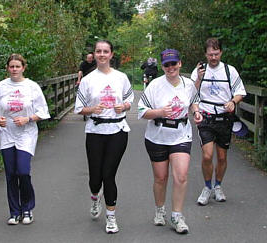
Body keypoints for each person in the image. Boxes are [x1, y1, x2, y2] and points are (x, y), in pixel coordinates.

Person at [138, 49, 202, 234]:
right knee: (160, 177)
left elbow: (194, 101)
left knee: (181, 175)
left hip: (181, 134)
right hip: (157, 135)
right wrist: (159, 112)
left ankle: (177, 216)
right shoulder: (155, 86)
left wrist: (196, 112)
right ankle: (160, 210)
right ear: (162, 67)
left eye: (173, 63)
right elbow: (142, 111)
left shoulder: (189, 84)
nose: (170, 67)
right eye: (166, 65)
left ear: (180, 64)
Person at [74, 40, 134, 234]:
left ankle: (111, 217)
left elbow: (129, 99)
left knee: (108, 175)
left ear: (111, 54)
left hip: (117, 130)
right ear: (94, 54)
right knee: (95, 178)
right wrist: (91, 109)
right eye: (98, 51)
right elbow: (78, 108)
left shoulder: (121, 77)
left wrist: (124, 106)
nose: (101, 54)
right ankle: (95, 197)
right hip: (95, 131)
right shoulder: (88, 80)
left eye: (105, 51)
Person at [0, 54, 50, 225]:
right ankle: (14, 212)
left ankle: (27, 208)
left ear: (23, 68)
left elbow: (43, 112)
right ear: (7, 68)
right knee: (11, 174)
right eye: (11, 66)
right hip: (6, 133)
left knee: (23, 171)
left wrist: (27, 119)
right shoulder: (0, 87)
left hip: (26, 134)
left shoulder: (32, 87)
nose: (14, 69)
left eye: (17, 66)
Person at [191, 38, 246, 206]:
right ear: (205, 54)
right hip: (206, 116)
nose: (213, 57)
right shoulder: (200, 70)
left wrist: (233, 102)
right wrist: (199, 79)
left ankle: (218, 186)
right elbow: (191, 92)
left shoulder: (230, 71)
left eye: (216, 54)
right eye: (210, 54)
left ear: (221, 52)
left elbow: (240, 92)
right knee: (207, 155)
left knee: (222, 157)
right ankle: (207, 187)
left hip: (224, 118)